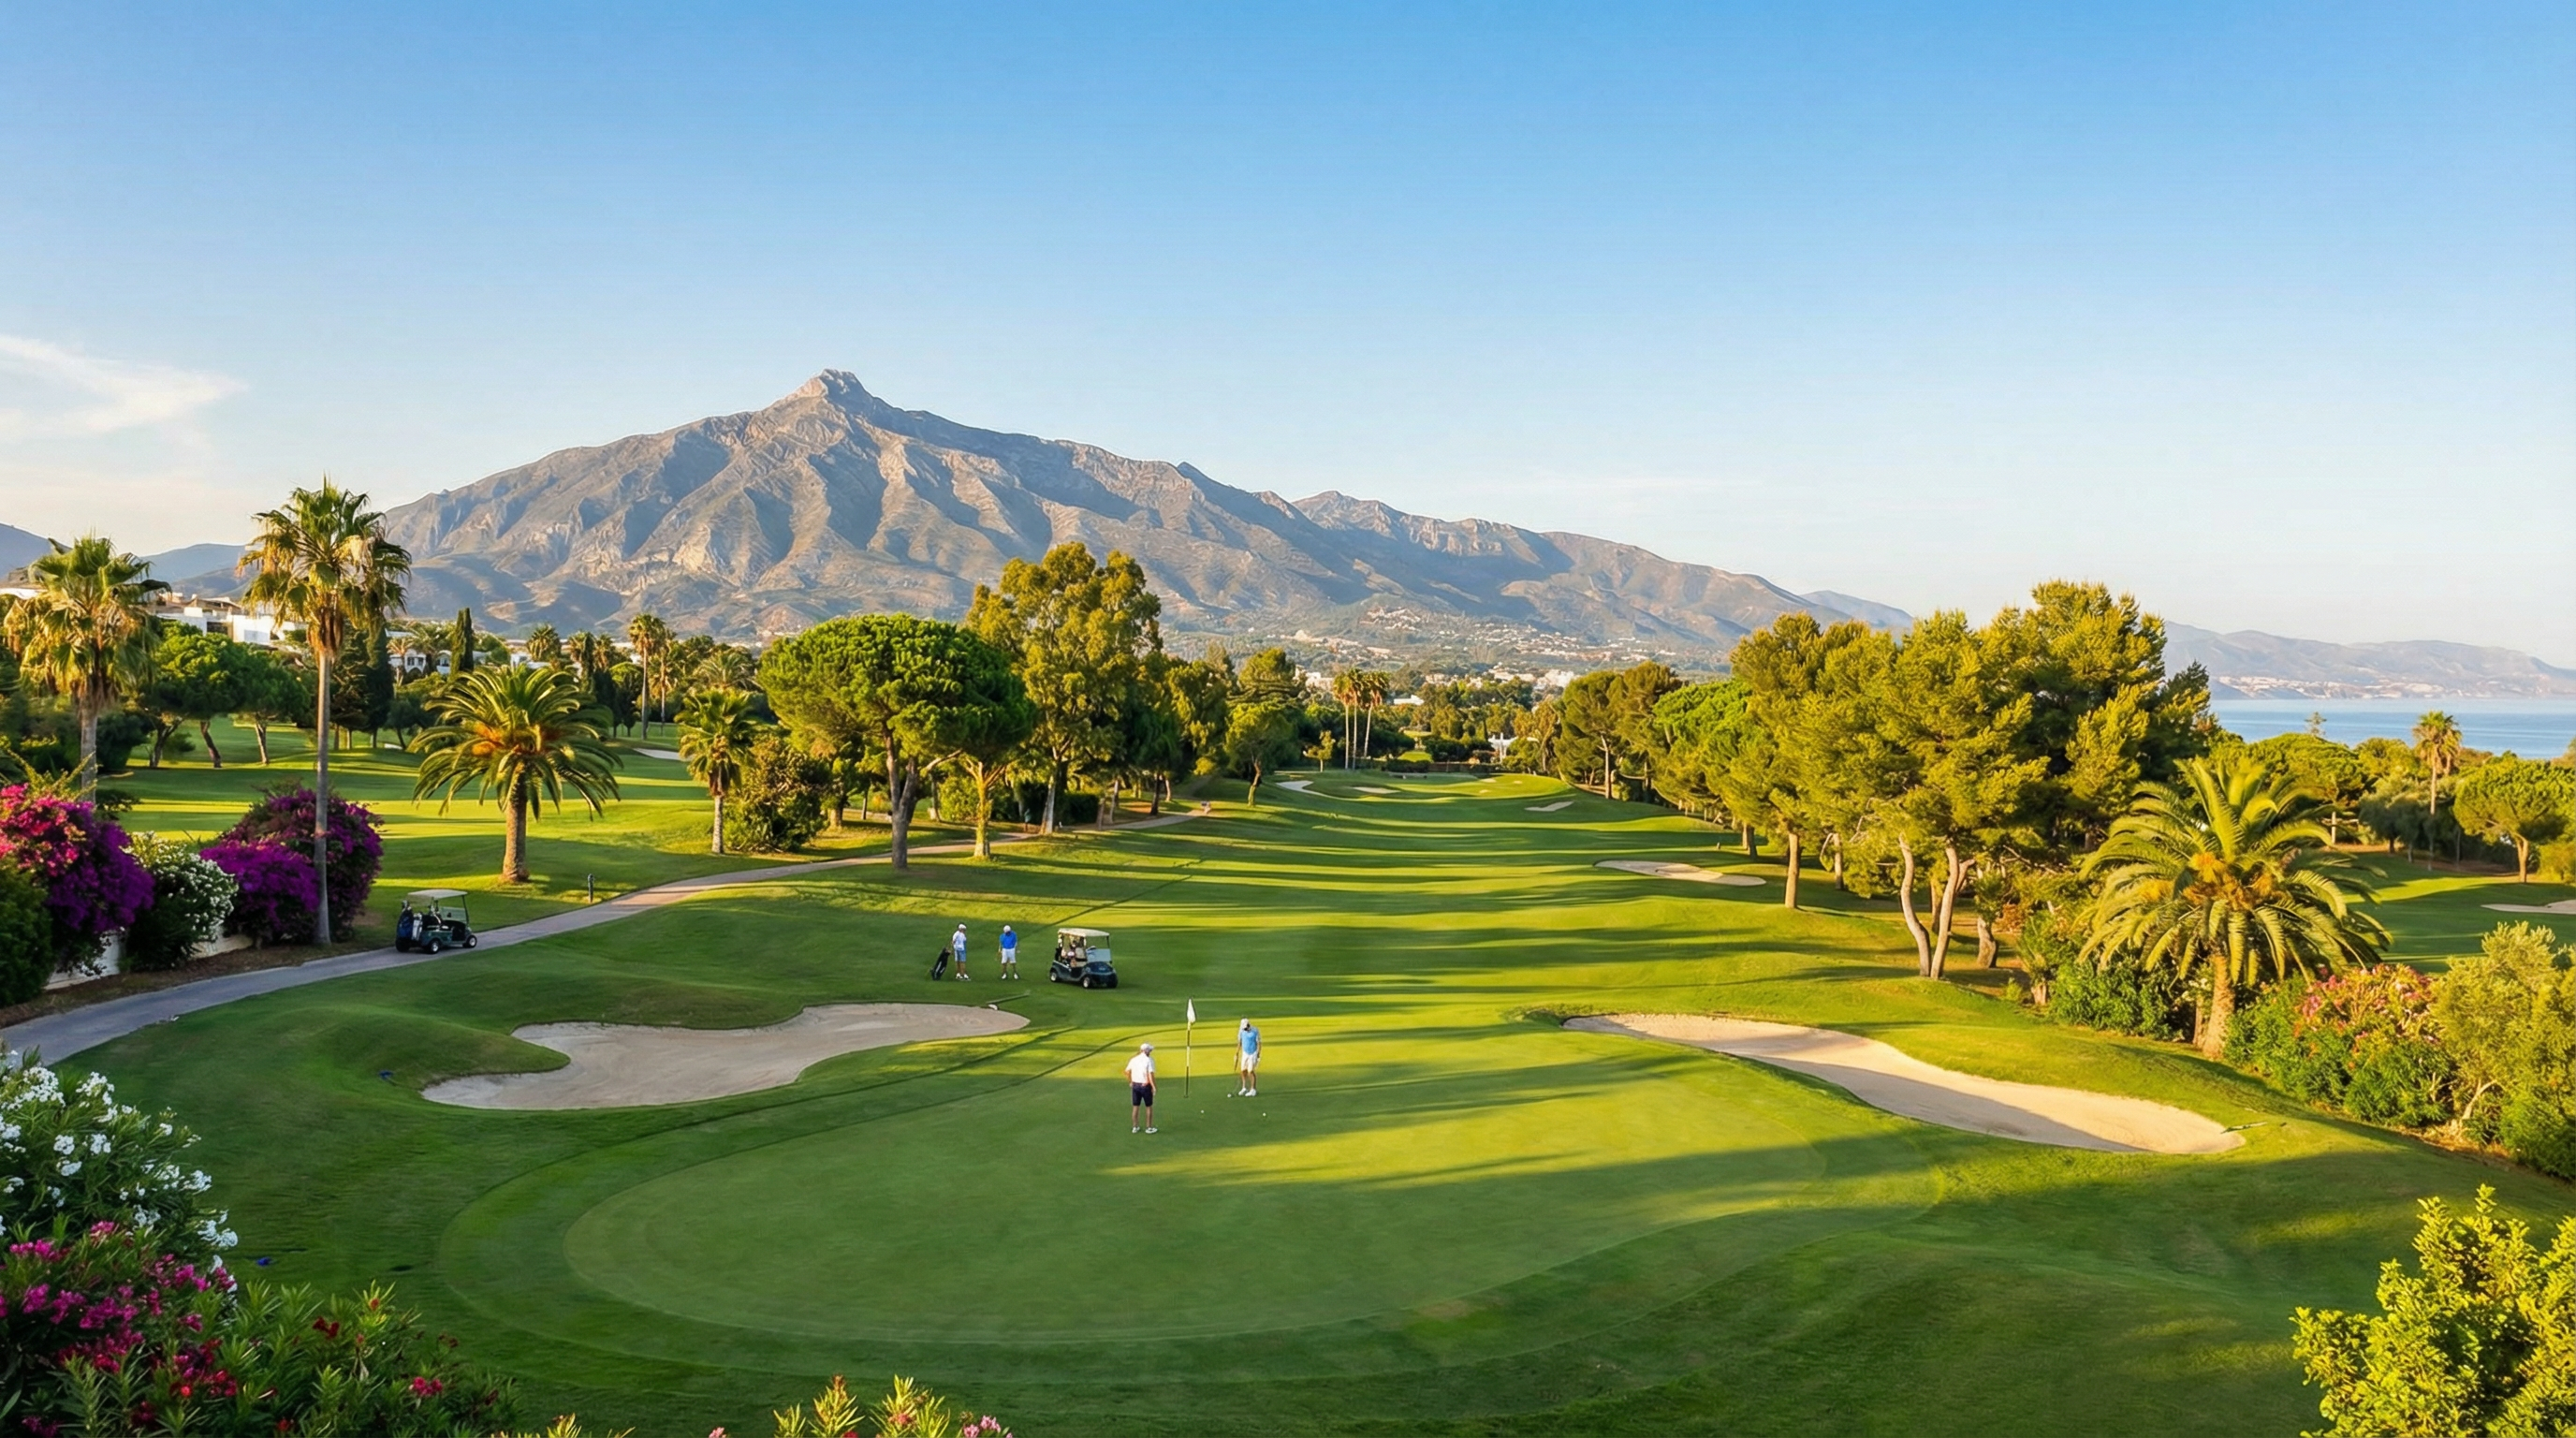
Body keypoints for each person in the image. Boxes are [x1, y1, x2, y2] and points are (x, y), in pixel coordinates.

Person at [1126, 1042, 1157, 1134]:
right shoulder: (1149, 1060)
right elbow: (1150, 1074)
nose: (1150, 1052)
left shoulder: (1134, 1059)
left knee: (1136, 1106)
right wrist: (1153, 1086)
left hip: (1135, 1085)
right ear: (1147, 1051)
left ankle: (1135, 1127)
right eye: (1150, 1050)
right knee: (1149, 1106)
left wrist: (1131, 1081)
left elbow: (1127, 1071)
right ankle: (1149, 1128)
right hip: (1145, 1086)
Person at [1235, 1019, 1261, 1097]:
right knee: (1243, 1071)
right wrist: (1236, 1053)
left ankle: (1253, 1089)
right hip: (1245, 1053)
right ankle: (1244, 1087)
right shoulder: (1241, 1031)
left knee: (1250, 1071)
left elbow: (1259, 1043)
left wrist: (1258, 1054)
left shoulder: (1255, 1031)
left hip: (1253, 1053)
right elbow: (1240, 1043)